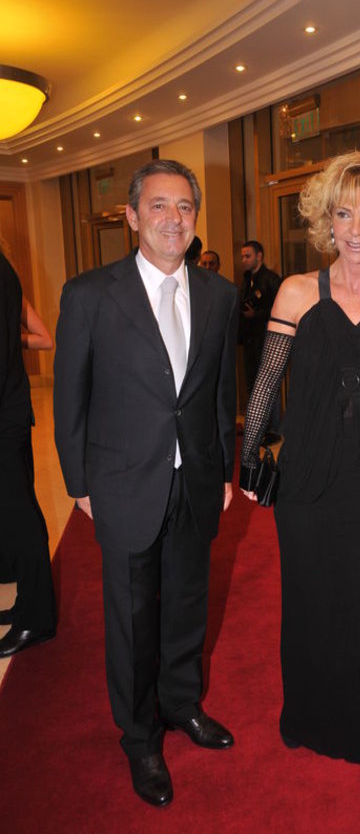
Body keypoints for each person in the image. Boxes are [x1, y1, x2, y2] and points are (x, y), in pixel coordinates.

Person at [54, 159, 239, 807]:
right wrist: (79, 480)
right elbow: (70, 396)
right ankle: (139, 737)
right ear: (133, 216)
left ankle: (182, 703)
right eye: (159, 205)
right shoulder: (89, 294)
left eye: (184, 206)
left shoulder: (219, 294)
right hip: (124, 481)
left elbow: (219, 392)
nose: (173, 219)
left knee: (188, 602)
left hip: (196, 479)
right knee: (132, 619)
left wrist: (222, 469)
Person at [240, 152, 360, 765]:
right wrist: (249, 457)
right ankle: (309, 716)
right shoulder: (297, 293)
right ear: (327, 220)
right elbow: (266, 383)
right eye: (344, 214)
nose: (356, 229)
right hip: (308, 478)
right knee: (311, 602)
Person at [0, 251, 56, 654]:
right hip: (11, 410)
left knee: (19, 517)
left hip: (4, 415)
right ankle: (29, 604)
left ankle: (36, 618)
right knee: (18, 515)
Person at [238, 240, 281, 444]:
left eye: (247, 256)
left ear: (259, 256)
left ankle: (273, 430)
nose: (243, 260)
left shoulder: (271, 279)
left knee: (269, 384)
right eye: (242, 256)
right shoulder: (247, 279)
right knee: (252, 383)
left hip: (267, 338)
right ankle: (256, 426)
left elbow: (280, 310)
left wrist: (257, 314)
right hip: (250, 338)